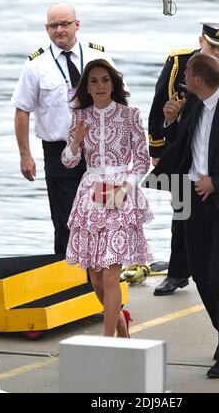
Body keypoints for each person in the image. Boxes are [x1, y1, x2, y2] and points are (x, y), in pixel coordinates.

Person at [148, 53, 219, 377]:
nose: (184, 74)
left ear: (198, 79)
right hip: (192, 198)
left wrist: (217, 182)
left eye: (187, 71)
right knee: (200, 272)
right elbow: (184, 146)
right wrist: (170, 121)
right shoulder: (195, 103)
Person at [149, 19, 219, 307]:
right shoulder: (180, 62)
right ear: (200, 41)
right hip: (185, 152)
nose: (217, 53)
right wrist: (157, 149)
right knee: (181, 216)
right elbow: (160, 104)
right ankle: (177, 273)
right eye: (212, 46)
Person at [11, 2, 117, 255]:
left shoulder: (98, 57)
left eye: (65, 24)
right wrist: (25, 155)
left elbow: (119, 103)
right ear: (46, 29)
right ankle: (68, 282)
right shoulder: (36, 65)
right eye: (54, 26)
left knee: (106, 219)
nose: (60, 30)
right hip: (59, 151)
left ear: (76, 25)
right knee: (67, 221)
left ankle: (101, 281)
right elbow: (21, 110)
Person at [61, 59, 154, 337]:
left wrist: (126, 188)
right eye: (94, 81)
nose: (100, 85)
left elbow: (142, 160)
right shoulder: (80, 117)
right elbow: (67, 161)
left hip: (121, 194)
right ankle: (121, 325)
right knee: (96, 278)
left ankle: (108, 341)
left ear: (113, 84)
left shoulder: (130, 115)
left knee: (112, 273)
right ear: (86, 87)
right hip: (89, 195)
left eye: (105, 80)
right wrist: (76, 141)